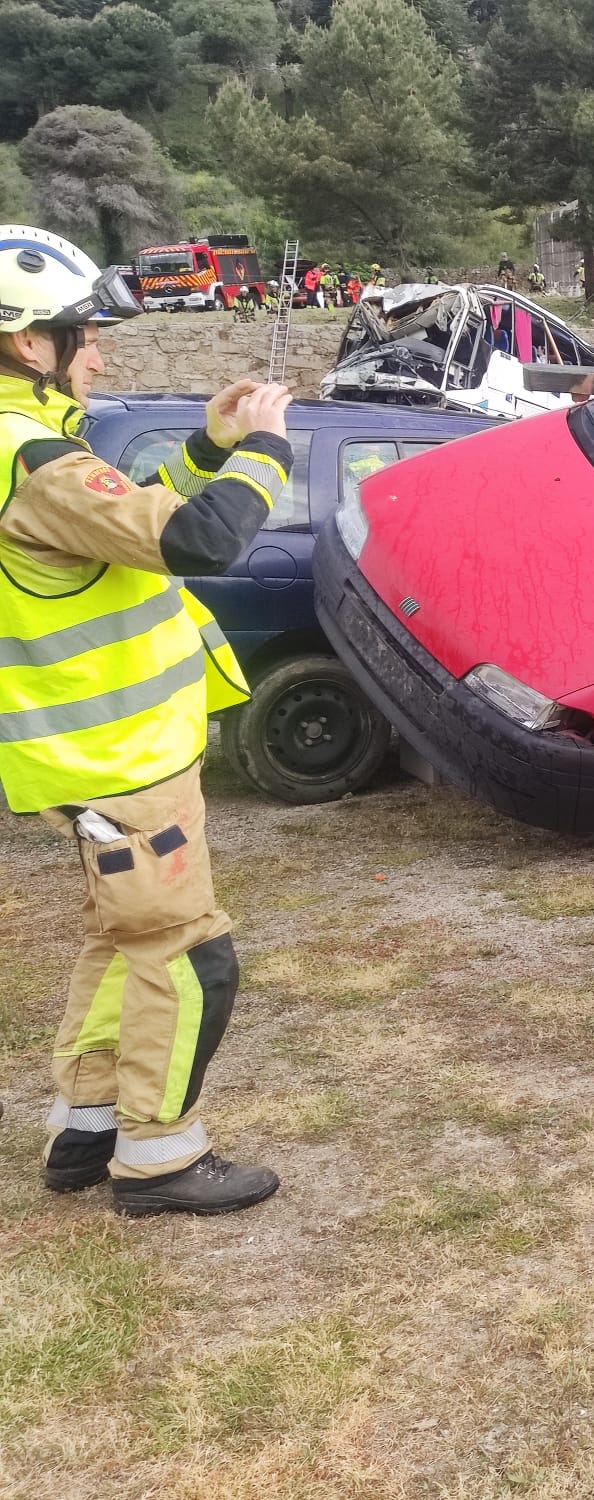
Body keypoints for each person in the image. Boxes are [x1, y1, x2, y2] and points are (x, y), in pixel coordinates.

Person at [0, 224, 295, 1216]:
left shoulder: (27, 445)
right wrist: (265, 451)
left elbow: (127, 528)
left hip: (93, 760)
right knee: (186, 953)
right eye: (84, 333)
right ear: (28, 343)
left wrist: (210, 441)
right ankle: (160, 1158)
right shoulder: (31, 454)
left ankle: (88, 1133)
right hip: (122, 765)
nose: (100, 351)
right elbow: (205, 539)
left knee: (119, 943)